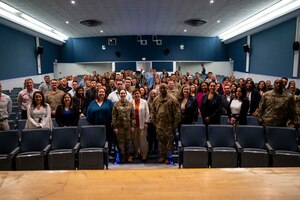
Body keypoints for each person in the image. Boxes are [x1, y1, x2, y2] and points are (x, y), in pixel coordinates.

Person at [152, 83, 181, 164]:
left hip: (169, 126)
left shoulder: (172, 99)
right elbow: (153, 113)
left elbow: (177, 113)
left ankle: (168, 157)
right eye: (161, 88)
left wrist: (174, 125)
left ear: (167, 88)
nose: (162, 90)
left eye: (164, 88)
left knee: (169, 143)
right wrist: (155, 123)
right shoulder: (156, 99)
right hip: (159, 125)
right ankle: (162, 156)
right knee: (161, 142)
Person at [86, 87, 114, 154]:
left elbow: (114, 113)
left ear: (105, 93)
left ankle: (107, 154)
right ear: (97, 93)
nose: (101, 93)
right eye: (100, 92)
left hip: (107, 126)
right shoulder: (92, 103)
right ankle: (99, 154)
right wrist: (90, 122)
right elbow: (88, 113)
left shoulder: (109, 102)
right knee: (97, 140)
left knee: (108, 140)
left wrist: (113, 122)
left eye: (103, 92)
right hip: (95, 126)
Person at [112, 89, 135, 164]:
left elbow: (133, 116)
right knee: (121, 143)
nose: (122, 95)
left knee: (129, 142)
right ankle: (122, 157)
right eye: (121, 93)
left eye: (124, 93)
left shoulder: (130, 104)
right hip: (119, 127)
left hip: (128, 127)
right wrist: (115, 127)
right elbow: (114, 116)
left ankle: (128, 156)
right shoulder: (116, 104)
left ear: (126, 94)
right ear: (119, 94)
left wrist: (132, 126)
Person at [131, 89, 150, 161]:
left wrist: (146, 122)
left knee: (143, 141)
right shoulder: (130, 102)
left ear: (140, 94)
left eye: (138, 93)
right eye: (135, 94)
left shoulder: (144, 102)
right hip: (134, 125)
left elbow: (147, 113)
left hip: (142, 124)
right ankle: (136, 153)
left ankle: (144, 155)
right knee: (135, 140)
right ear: (133, 95)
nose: (136, 95)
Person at [147, 89, 159, 154]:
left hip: (158, 121)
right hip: (150, 122)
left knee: (156, 136)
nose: (153, 95)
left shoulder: (160, 101)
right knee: (150, 136)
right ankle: (150, 149)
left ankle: (156, 148)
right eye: (152, 94)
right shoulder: (148, 102)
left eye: (155, 94)